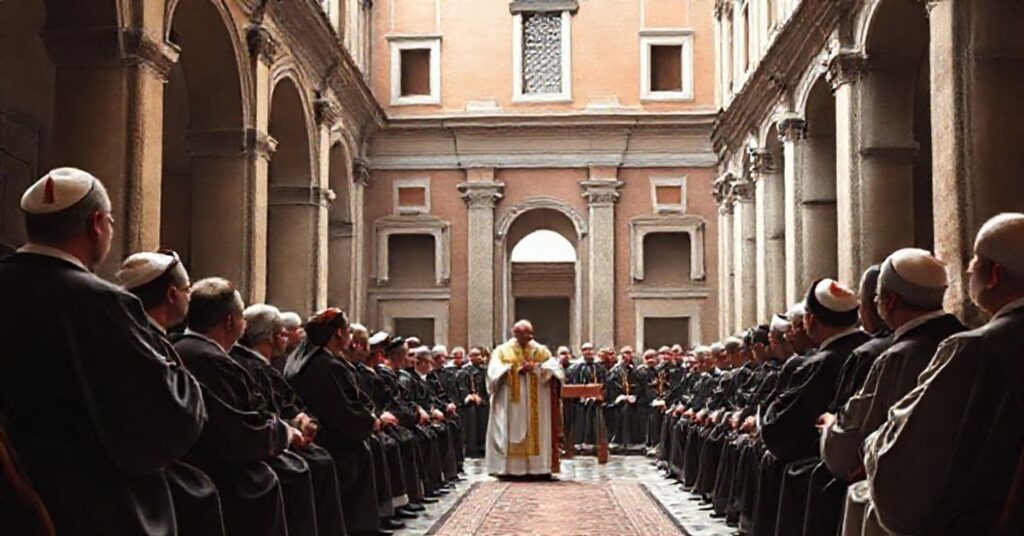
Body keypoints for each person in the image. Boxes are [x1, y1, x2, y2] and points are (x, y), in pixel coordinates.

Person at [0, 168, 206, 535]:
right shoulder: (103, 302)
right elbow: (164, 418)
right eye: (110, 221)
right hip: (83, 504)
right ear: (97, 223)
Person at [860, 214, 1024, 535]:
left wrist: (870, 447)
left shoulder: (973, 349)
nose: (968, 267)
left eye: (976, 260)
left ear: (995, 275)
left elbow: (907, 453)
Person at [175, 278, 310, 536]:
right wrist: (284, 432)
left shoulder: (181, 347)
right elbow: (237, 430)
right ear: (229, 321)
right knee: (278, 476)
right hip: (216, 464)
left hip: (203, 454)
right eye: (241, 318)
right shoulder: (212, 360)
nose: (244, 326)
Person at [117, 251, 226, 536]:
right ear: (172, 294)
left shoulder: (146, 334)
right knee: (204, 492)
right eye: (188, 290)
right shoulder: (144, 340)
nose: (190, 297)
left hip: (164, 453)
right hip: (151, 462)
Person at [762, 279, 869, 535]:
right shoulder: (873, 349)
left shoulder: (820, 363)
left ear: (810, 320)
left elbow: (781, 430)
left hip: (828, 462)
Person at [231, 304, 348, 536]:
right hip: (262, 443)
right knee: (311, 465)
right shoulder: (246, 366)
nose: (287, 339)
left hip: (279, 434)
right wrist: (291, 428)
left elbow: (288, 402)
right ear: (271, 337)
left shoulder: (268, 367)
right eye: (284, 333)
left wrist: (302, 417)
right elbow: (260, 412)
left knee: (319, 458)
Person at [284, 309, 387, 536]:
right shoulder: (328, 365)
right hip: (333, 439)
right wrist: (369, 421)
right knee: (362, 451)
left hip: (322, 432)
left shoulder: (302, 359)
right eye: (348, 330)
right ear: (339, 333)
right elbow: (345, 411)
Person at [486, 320, 565, 477]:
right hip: (510, 401)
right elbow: (493, 372)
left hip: (537, 401)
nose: (528, 339)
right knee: (511, 430)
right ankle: (510, 470)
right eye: (524, 336)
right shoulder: (502, 351)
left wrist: (538, 368)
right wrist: (514, 369)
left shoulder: (540, 350)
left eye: (530, 335)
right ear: (515, 334)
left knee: (536, 432)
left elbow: (556, 369)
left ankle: (538, 469)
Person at [569, 342, 608, 449]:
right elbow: (574, 383)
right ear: (582, 352)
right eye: (585, 350)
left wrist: (597, 396)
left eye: (590, 350)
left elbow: (604, 383)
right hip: (580, 401)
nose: (588, 352)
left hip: (596, 400)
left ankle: (595, 443)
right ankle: (579, 443)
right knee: (580, 419)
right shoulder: (576, 368)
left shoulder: (599, 368)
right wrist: (582, 396)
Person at [456, 347, 489, 457]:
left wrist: (482, 398)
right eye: (474, 355)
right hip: (469, 403)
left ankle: (483, 446)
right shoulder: (464, 371)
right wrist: (470, 396)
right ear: (470, 357)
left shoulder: (485, 371)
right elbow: (462, 387)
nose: (477, 357)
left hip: (484, 402)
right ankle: (471, 448)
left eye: (478, 355)